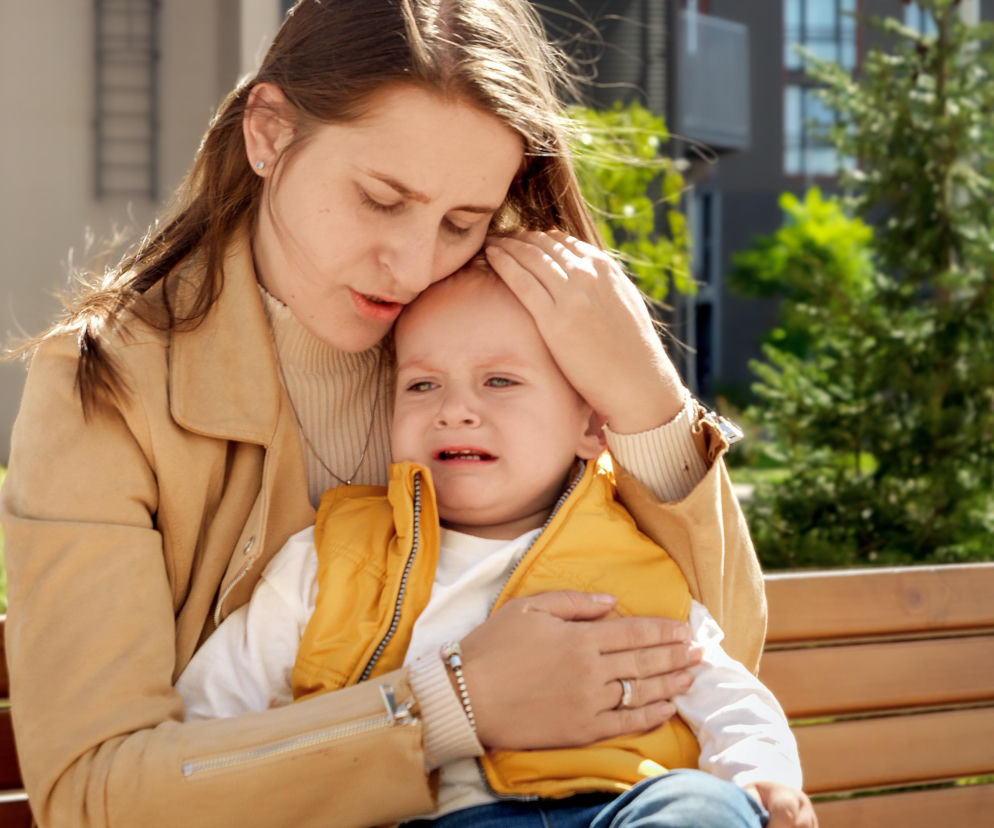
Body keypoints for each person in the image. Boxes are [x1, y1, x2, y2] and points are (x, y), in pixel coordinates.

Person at [0, 1, 766, 826]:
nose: (411, 264)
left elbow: (722, 649)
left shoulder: (505, 346)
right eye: (379, 198)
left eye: (461, 222)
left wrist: (648, 401)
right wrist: (446, 707)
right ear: (268, 132)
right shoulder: (105, 386)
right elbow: (93, 795)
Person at [176, 261, 816, 828]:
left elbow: (721, 691)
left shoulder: (631, 558)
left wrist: (763, 774)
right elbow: (212, 713)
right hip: (434, 813)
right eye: (422, 385)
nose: (454, 410)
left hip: (618, 802)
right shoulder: (329, 557)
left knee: (703, 808)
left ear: (592, 425)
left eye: (500, 382)